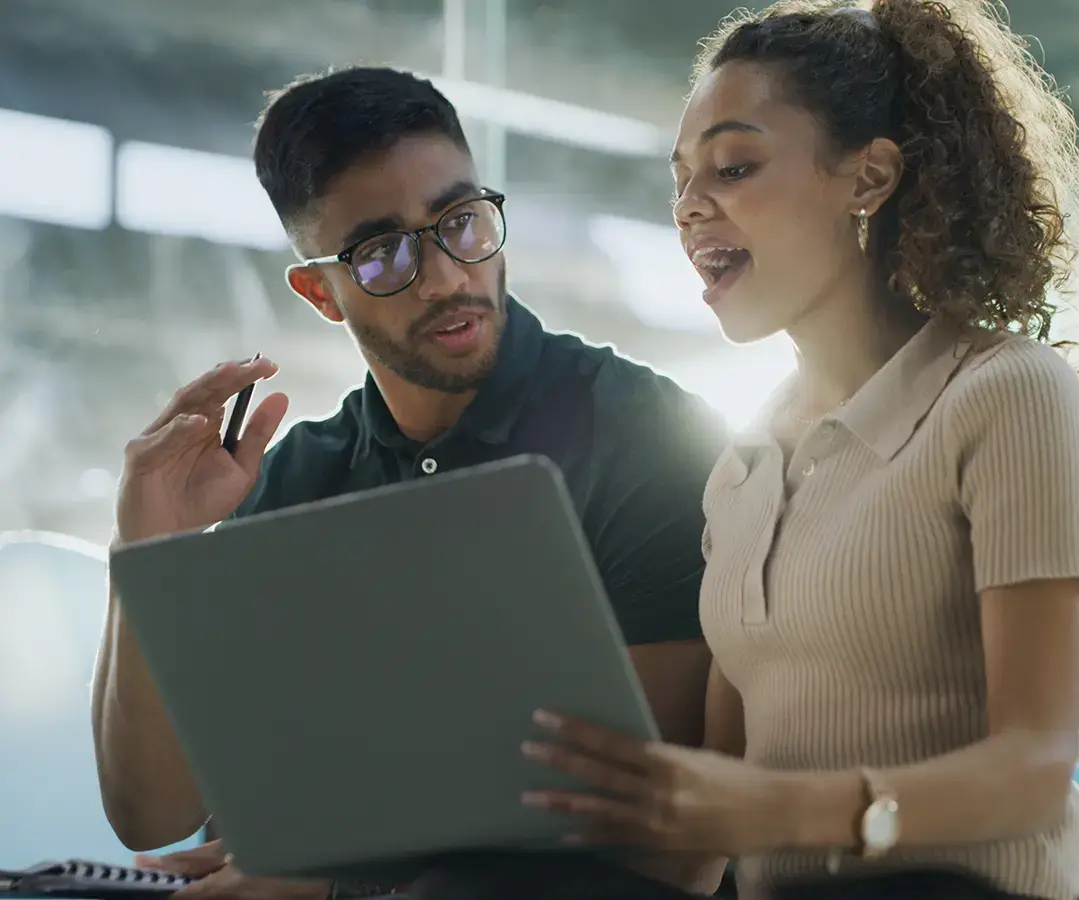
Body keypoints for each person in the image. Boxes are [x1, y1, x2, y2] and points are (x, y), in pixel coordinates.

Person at [519, 2, 1079, 900]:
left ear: (869, 177)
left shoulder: (1010, 396)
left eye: (733, 166)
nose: (689, 208)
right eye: (680, 180)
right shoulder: (744, 464)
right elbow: (703, 825)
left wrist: (782, 812)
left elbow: (1033, 767)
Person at [90, 67, 728, 898]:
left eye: (460, 222)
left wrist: (330, 877)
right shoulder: (297, 480)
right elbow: (154, 818)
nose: (444, 277)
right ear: (321, 291)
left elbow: (651, 834)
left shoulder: (649, 438)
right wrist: (150, 551)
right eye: (381, 252)